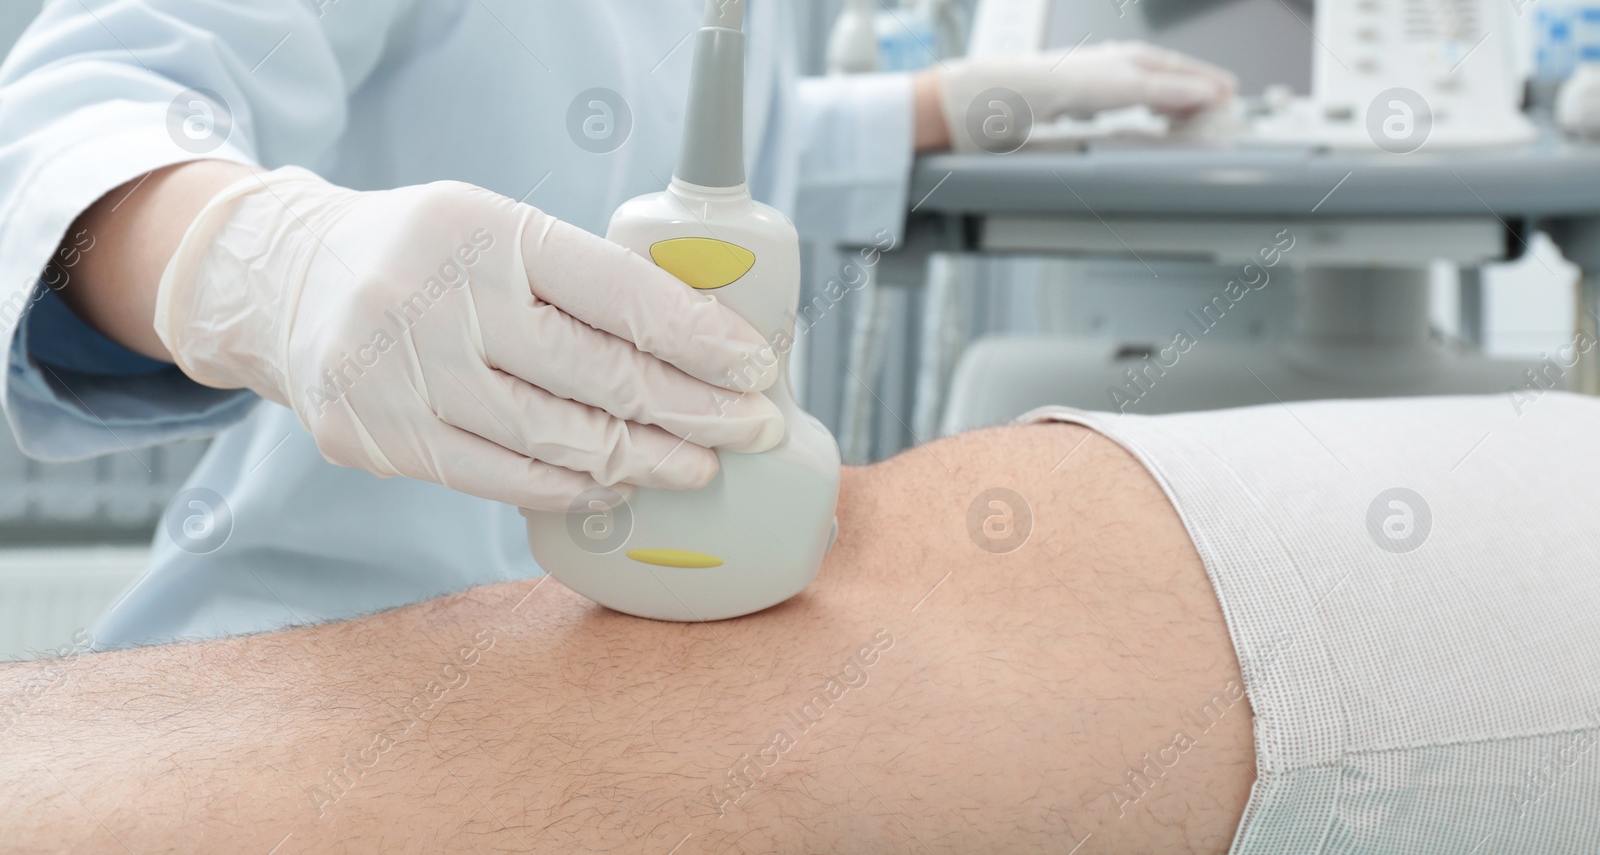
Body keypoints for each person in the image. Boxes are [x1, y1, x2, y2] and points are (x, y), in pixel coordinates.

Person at [0, 0, 1238, 647]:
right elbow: (72, 123)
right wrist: (257, 265)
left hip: (613, 644)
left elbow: (684, 170)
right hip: (328, 635)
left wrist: (941, 106)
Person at [6, 392, 1599, 852]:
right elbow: (98, 91)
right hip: (296, 622)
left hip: (461, 635)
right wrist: (237, 254)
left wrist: (931, 113)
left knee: (866, 645)